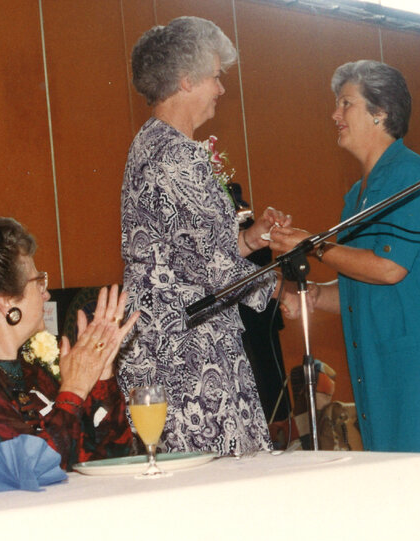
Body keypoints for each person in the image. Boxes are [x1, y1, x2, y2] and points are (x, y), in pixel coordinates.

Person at [269, 60, 420, 499]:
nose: (335, 115)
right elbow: (360, 286)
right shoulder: (357, 196)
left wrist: (312, 244)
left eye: (345, 104)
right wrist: (311, 296)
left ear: (380, 113)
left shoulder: (415, 177)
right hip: (383, 374)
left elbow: (389, 268)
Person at [120, 16, 297, 455]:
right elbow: (217, 272)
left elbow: (190, 252)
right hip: (190, 351)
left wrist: (251, 241)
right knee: (218, 483)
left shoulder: (149, 143)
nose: (221, 88)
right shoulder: (180, 156)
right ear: (186, 80)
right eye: (216, 77)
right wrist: (282, 291)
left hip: (163, 340)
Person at [0, 217, 139, 480]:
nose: (46, 294)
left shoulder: (32, 373)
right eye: (38, 282)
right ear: (5, 301)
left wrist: (100, 376)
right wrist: (74, 389)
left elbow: (112, 462)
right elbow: (28, 471)